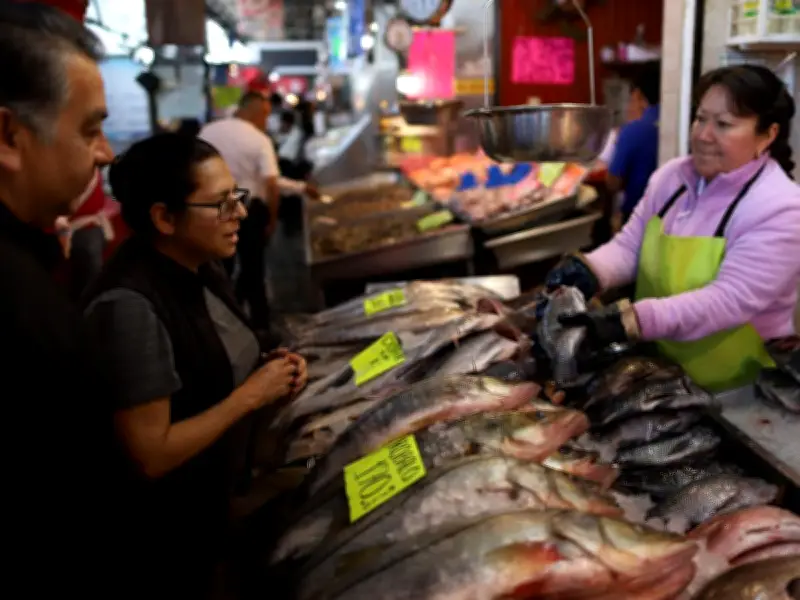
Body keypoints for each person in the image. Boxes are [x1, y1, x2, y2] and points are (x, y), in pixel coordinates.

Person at [82, 133, 308, 597]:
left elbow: (214, 353)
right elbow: (151, 455)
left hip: (219, 502)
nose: (239, 213)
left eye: (236, 196)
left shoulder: (200, 264)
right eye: (220, 203)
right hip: (166, 543)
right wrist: (251, 395)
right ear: (164, 217)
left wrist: (270, 366)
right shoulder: (129, 307)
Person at [544, 64, 800, 392]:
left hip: (741, 389)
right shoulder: (672, 178)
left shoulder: (781, 207)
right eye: (700, 118)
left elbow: (728, 301)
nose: (703, 135)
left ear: (768, 135)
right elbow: (630, 247)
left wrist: (631, 320)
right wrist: (590, 270)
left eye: (723, 124)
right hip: (664, 374)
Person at [0, 2, 123, 594]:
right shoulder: (19, 306)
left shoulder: (32, 261)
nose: (105, 153)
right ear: (9, 137)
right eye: (89, 130)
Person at [606, 68, 661, 225]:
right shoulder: (683, 122)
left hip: (637, 218)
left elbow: (613, 182)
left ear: (638, 95)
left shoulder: (633, 130)